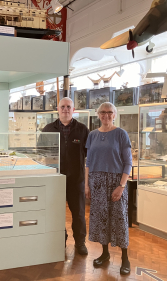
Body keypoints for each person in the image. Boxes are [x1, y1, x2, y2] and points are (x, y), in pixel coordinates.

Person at [85, 102, 132, 275]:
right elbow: (88, 162)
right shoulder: (92, 135)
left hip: (116, 182)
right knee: (101, 218)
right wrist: (87, 184)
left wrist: (121, 186)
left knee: (119, 219)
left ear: (115, 114)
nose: (106, 115)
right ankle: (104, 254)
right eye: (102, 112)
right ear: (98, 114)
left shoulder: (121, 134)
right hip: (96, 182)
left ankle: (125, 258)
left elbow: (128, 163)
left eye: (109, 112)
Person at [42, 97, 89, 255]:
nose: (65, 109)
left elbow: (89, 156)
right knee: (55, 212)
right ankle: (59, 238)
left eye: (69, 107)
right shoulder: (48, 129)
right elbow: (40, 153)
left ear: (73, 109)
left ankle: (80, 242)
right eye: (62, 106)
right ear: (58, 109)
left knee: (79, 213)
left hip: (76, 180)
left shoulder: (83, 130)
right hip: (55, 180)